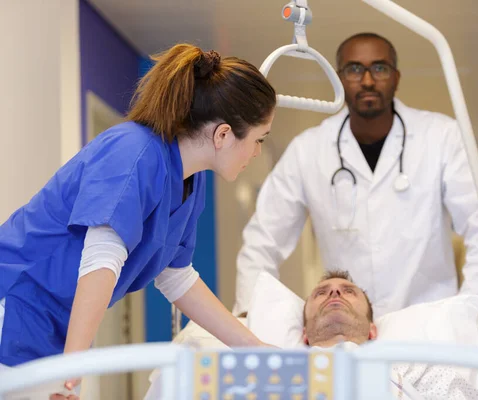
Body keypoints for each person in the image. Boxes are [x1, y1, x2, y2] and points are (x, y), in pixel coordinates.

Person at [0, 43, 277, 399]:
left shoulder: (192, 180)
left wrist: (253, 348)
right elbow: (102, 258)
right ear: (223, 135)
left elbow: (176, 277)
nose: (256, 152)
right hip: (14, 302)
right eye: (258, 140)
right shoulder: (133, 152)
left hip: (47, 328)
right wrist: (73, 370)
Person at [234, 32, 478, 317]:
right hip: (347, 329)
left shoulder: (442, 137)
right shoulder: (308, 150)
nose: (367, 81)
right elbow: (262, 241)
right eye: (354, 69)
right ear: (339, 79)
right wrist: (251, 317)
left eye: (379, 68)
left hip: (429, 324)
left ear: (396, 78)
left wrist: (474, 311)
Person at [302, 270, 478, 399]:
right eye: (321, 293)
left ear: (372, 330)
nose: (335, 293)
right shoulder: (283, 369)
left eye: (349, 291)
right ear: (305, 335)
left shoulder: (412, 366)